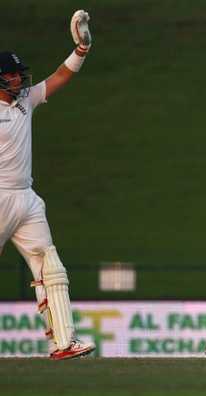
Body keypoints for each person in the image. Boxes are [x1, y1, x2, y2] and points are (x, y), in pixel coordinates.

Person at [0, 10, 95, 360]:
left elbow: (58, 77)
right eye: (11, 75)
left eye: (19, 74)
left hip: (26, 197)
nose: (19, 80)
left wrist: (81, 49)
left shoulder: (25, 101)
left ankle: (64, 342)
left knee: (50, 266)